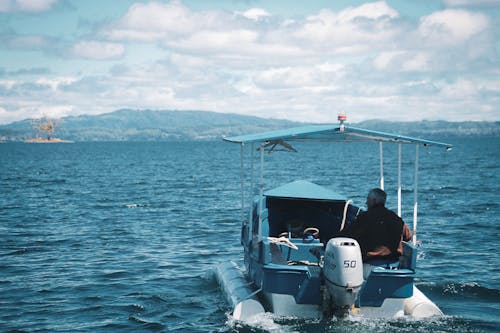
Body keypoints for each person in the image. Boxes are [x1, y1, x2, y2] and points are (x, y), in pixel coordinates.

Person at [340, 188, 412, 265]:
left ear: (373, 201)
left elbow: (349, 235)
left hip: (370, 261)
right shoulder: (395, 218)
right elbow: (408, 237)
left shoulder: (365, 217)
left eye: (368, 199)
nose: (366, 202)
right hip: (394, 261)